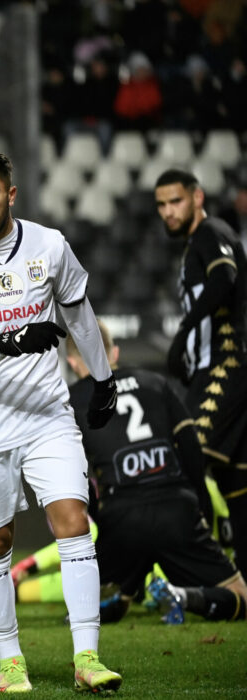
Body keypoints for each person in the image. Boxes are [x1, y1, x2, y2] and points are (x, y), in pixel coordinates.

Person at [0, 146, 121, 693]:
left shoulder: (49, 245)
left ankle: (87, 656)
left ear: (11, 193)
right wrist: (11, 340)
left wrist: (103, 378)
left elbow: (79, 312)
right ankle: (10, 661)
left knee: (73, 521)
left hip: (46, 416)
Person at [66, 321, 247, 624]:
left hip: (121, 517)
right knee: (241, 596)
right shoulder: (154, 382)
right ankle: (183, 596)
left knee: (91, 608)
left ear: (72, 362)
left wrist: (102, 520)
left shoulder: (70, 401)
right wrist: (197, 506)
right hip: (175, 508)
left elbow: (77, 476)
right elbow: (190, 448)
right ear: (115, 352)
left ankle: (122, 594)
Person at [155, 168, 247, 572]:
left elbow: (224, 279)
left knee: (184, 457)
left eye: (175, 201)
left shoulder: (212, 233)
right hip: (223, 369)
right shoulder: (198, 242)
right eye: (161, 205)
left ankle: (198, 568)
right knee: (236, 481)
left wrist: (183, 333)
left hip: (227, 366)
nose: (168, 212)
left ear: (197, 197)